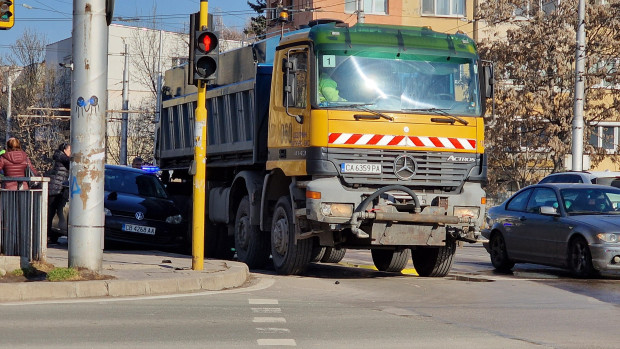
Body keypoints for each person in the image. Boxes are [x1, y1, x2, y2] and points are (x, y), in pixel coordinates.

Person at [47, 142, 71, 243]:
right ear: (65, 150)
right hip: (55, 188)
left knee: (55, 211)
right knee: (51, 212)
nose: (71, 153)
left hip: (58, 188)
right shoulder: (62, 157)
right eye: (70, 150)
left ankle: (51, 235)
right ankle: (48, 235)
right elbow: (71, 162)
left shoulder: (60, 156)